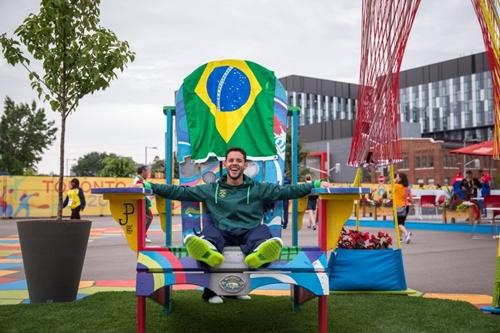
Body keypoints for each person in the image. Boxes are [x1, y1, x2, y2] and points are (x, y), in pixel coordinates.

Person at [147, 147, 330, 302]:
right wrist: (152, 187)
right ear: (226, 164)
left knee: (262, 231)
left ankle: (259, 253)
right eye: (231, 160)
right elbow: (180, 192)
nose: (235, 163)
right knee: (211, 232)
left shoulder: (257, 188)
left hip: (250, 232)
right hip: (222, 232)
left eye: (239, 160)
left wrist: (313, 183)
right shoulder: (212, 189)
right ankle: (208, 251)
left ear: (244, 165)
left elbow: (287, 191)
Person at [133, 165, 154, 243]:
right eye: (147, 171)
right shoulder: (139, 179)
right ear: (143, 171)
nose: (148, 173)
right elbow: (140, 188)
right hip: (142, 201)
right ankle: (142, 235)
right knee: (149, 217)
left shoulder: (140, 179)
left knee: (145, 218)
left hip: (143, 201)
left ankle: (143, 235)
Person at [394, 172, 412, 244]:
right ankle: (400, 238)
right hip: (406, 206)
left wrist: (394, 181)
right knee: (401, 224)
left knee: (398, 224)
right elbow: (410, 197)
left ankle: (406, 234)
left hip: (398, 207)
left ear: (400, 179)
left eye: (397, 177)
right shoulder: (407, 187)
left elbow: (390, 188)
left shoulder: (396, 186)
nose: (396, 178)